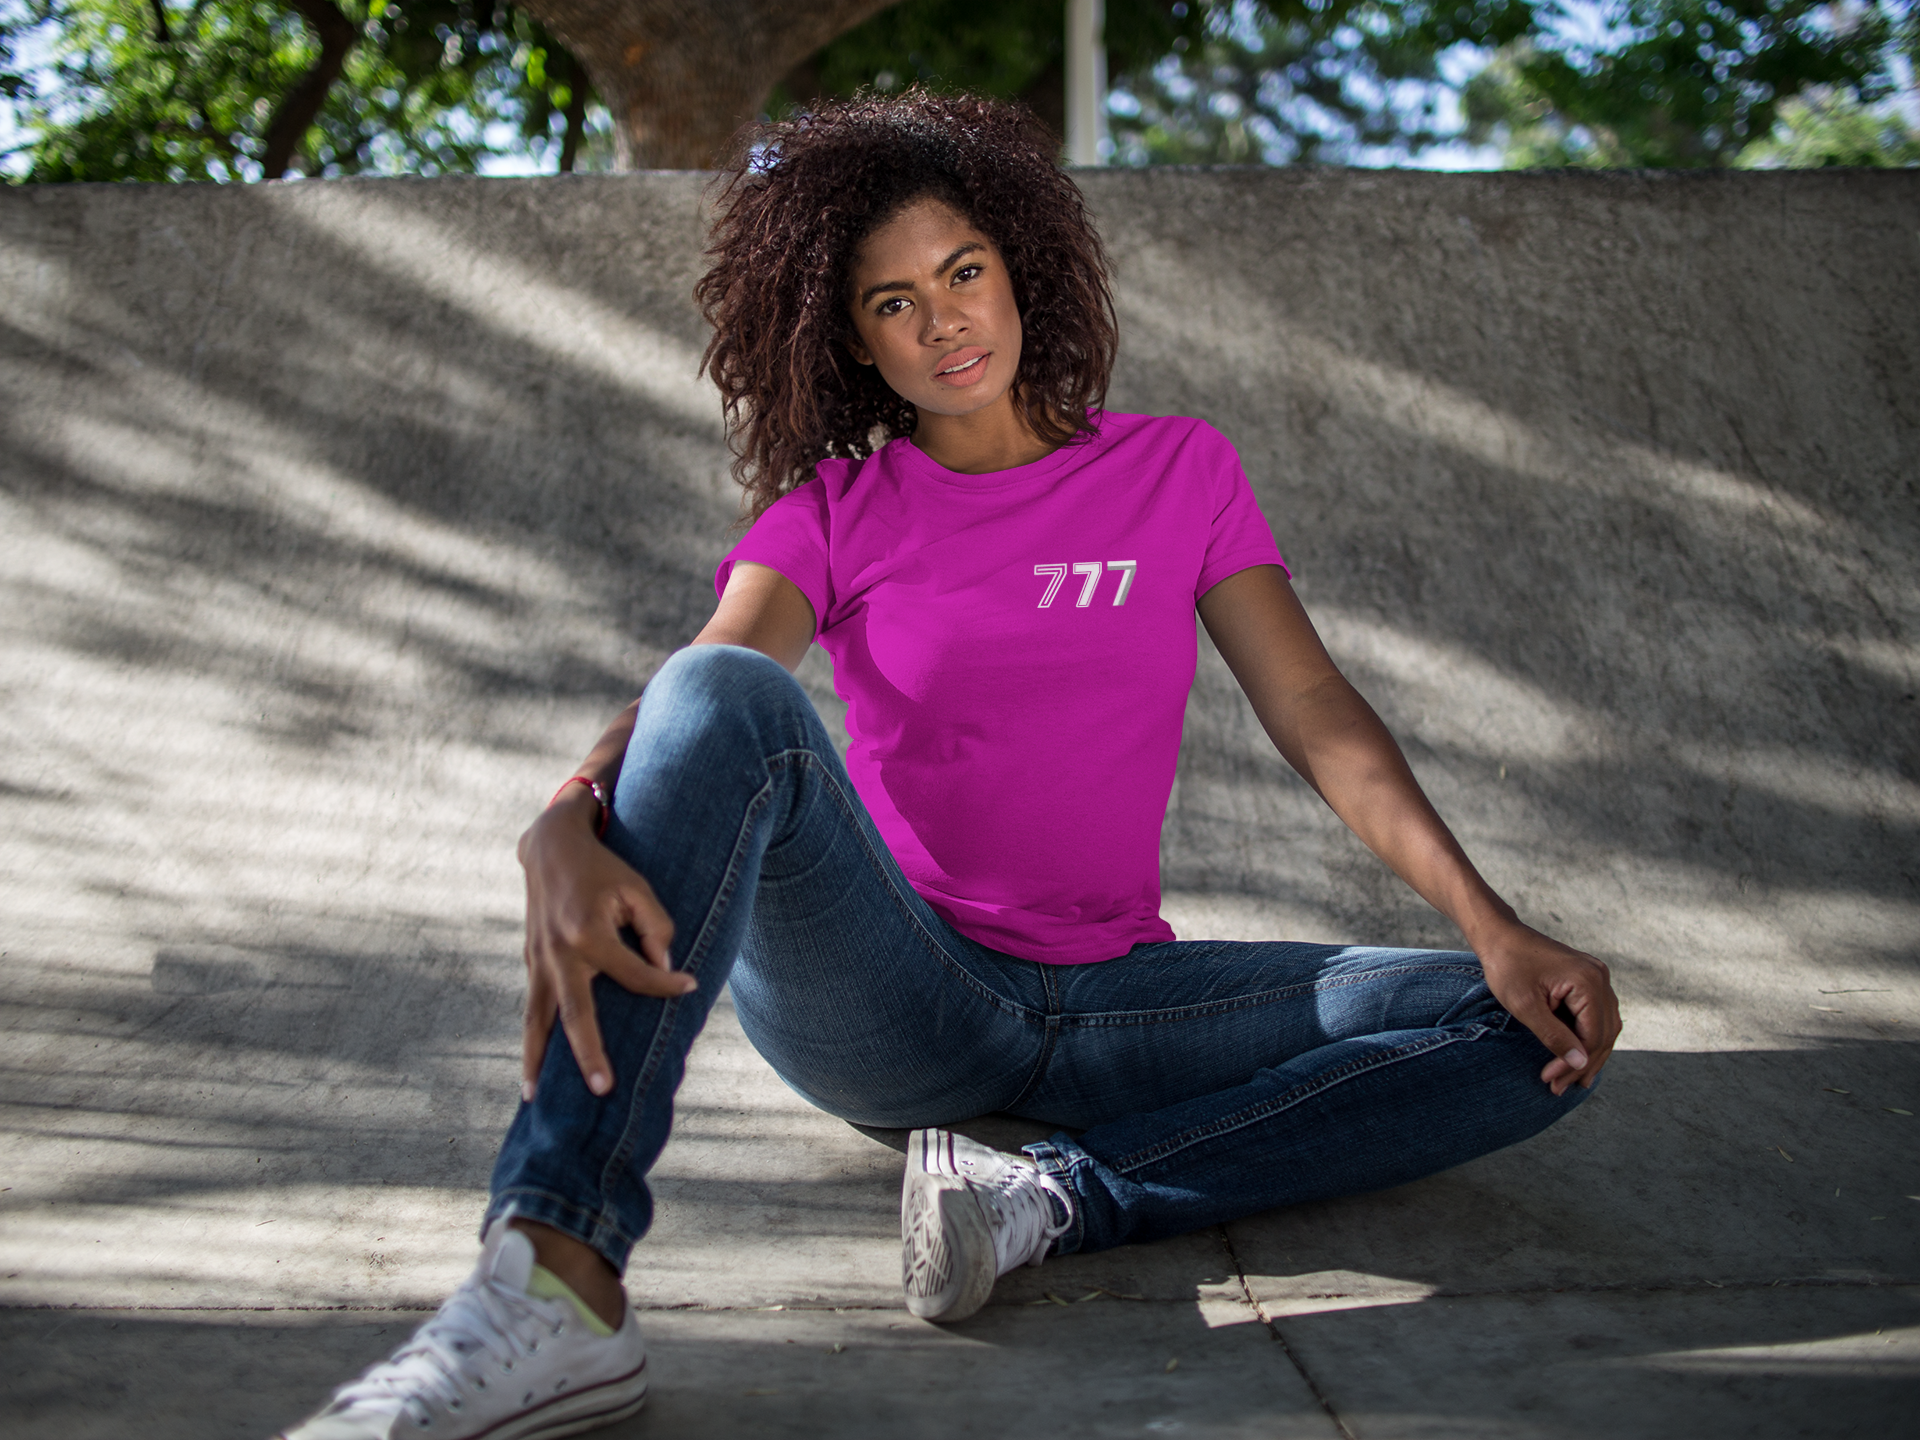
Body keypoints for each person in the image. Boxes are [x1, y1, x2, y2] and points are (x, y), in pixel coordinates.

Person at [278, 90, 1621, 1440]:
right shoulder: (834, 512)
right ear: (853, 340)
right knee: (725, 692)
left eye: (963, 272)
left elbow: (1313, 703)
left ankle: (1051, 1196)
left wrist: (1490, 922)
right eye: (893, 302)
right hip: (900, 995)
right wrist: (572, 804)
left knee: (1527, 1028)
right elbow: (705, 687)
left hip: (1119, 1001)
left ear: (1019, 266)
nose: (943, 321)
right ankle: (556, 1282)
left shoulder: (1180, 471)